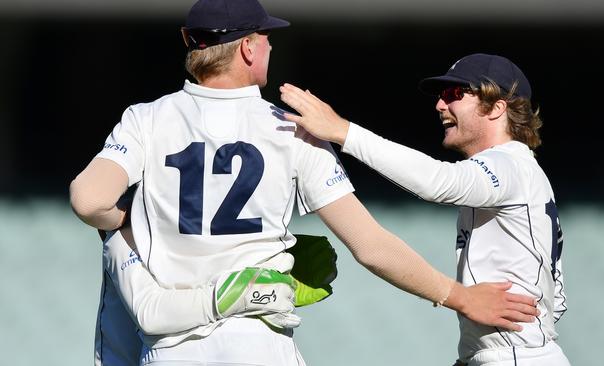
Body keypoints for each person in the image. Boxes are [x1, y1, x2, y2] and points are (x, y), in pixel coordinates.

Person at [69, 1, 540, 362]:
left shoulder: (146, 118)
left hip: (170, 346)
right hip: (258, 340)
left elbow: (90, 200)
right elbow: (370, 245)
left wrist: (131, 225)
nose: (271, 46)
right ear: (249, 48)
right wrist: (457, 296)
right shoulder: (290, 128)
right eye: (267, 37)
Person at [279, 53, 570, 366]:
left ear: (497, 107)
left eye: (455, 95)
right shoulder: (524, 174)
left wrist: (343, 131)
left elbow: (438, 181)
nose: (440, 105)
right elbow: (558, 301)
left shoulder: (509, 165)